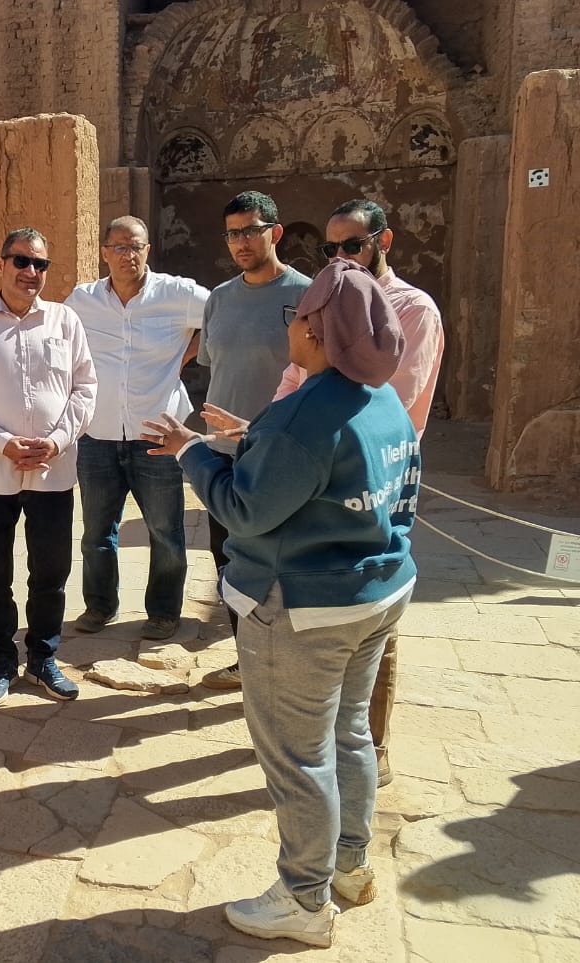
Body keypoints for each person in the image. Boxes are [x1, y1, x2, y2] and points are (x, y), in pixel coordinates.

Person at [143, 260, 419, 948]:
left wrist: (190, 452)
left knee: (299, 758)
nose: (290, 326)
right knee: (349, 733)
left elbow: (245, 508)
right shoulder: (381, 399)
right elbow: (329, 469)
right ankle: (349, 865)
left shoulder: (304, 415)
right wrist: (255, 437)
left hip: (301, 607)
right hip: (375, 594)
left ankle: (303, 898)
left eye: (297, 316)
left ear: (318, 331)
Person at [206, 198, 445, 784]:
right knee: (337, 634)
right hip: (312, 462)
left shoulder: (411, 310)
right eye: (330, 249)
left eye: (352, 246)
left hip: (368, 478)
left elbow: (389, 405)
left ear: (383, 242)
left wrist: (280, 440)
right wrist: (264, 432)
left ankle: (364, 751)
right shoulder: (325, 301)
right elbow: (296, 383)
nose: (340, 258)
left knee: (366, 615)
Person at [0, 228, 96, 706]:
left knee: (50, 571)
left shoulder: (65, 321)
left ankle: (43, 659)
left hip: (53, 470)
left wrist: (56, 441)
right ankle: (1, 662)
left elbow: (85, 388)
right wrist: (3, 443)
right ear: (1, 264)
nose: (31, 272)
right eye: (21, 261)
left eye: (40, 264)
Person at [65, 215, 208, 641]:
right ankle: (100, 606)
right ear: (105, 253)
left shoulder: (178, 294)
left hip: (157, 435)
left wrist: (185, 354)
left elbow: (222, 317)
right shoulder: (83, 300)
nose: (128, 255)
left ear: (148, 250)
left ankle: (163, 612)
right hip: (98, 434)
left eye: (136, 247)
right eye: (120, 247)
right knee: (96, 533)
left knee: (166, 533)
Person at [197, 191, 312, 691]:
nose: (241, 242)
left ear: (275, 232)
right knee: (229, 563)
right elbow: (215, 366)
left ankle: (292, 668)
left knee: (283, 567)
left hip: (282, 456)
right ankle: (248, 661)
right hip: (223, 456)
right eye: (232, 234)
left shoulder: (309, 295)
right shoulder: (220, 298)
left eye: (251, 230)